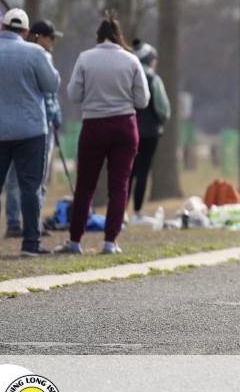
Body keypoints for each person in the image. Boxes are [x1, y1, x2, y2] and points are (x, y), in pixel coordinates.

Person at [54, 13, 149, 254]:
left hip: (94, 126)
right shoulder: (131, 60)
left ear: (98, 36)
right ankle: (110, 242)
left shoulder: (85, 58)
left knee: (85, 185)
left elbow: (74, 95)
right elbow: (143, 100)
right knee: (119, 186)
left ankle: (75, 241)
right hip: (125, 126)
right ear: (118, 36)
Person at [0, 8, 61, 256]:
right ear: (25, 31)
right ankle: (30, 243)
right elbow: (52, 84)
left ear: (2, 27)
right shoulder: (36, 53)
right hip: (29, 131)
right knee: (30, 187)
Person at [3, 20, 64, 238]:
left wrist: (56, 117)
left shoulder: (40, 56)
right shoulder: (36, 56)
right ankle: (20, 223)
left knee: (30, 178)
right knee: (28, 177)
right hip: (37, 125)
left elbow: (52, 95)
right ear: (40, 37)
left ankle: (26, 222)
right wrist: (53, 117)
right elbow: (47, 94)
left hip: (38, 123)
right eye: (51, 37)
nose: (54, 41)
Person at [128, 40, 171, 223]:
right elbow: (163, 109)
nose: (156, 62)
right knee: (143, 171)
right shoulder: (154, 79)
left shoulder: (128, 78)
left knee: (128, 171)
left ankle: (121, 211)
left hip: (129, 130)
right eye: (154, 59)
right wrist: (161, 120)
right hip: (150, 133)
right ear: (148, 60)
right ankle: (137, 212)